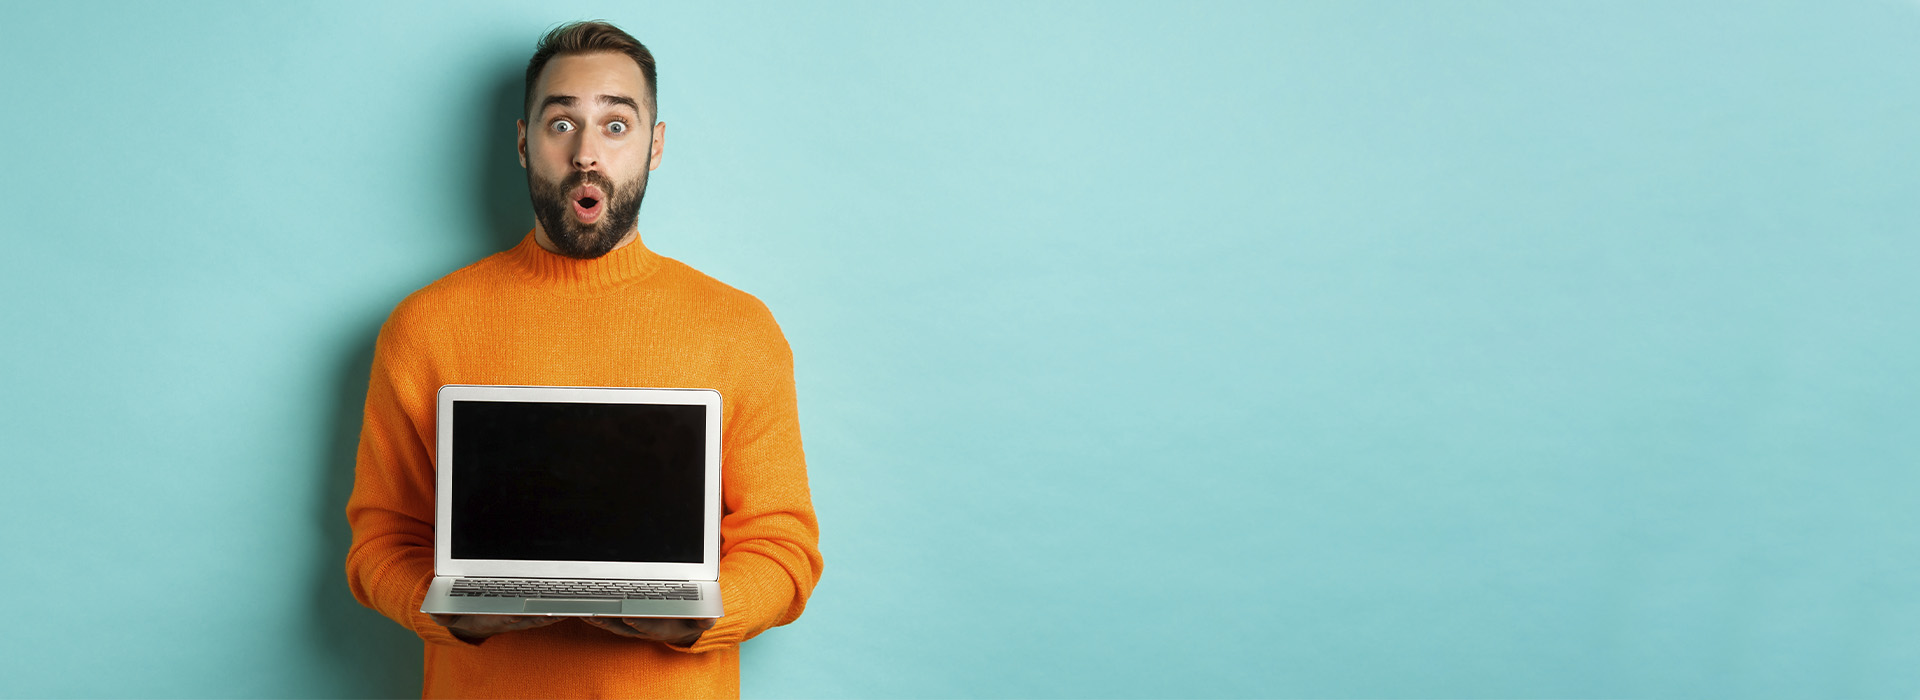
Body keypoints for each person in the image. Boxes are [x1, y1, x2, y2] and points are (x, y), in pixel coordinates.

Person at [345, 20, 823, 698]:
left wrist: (701, 616)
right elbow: (379, 543)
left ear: (655, 146)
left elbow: (785, 547)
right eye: (561, 123)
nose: (587, 155)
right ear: (522, 143)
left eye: (617, 125)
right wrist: (439, 604)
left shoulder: (739, 328)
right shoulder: (425, 326)